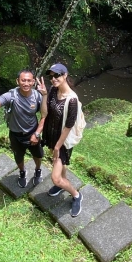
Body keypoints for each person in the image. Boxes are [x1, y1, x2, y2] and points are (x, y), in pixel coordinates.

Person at [0, 69, 47, 188]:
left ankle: (38, 170)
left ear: (33, 82)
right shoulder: (11, 96)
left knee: (38, 155)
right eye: (23, 80)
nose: (26, 83)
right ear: (17, 81)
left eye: (29, 81)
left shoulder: (37, 96)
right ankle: (22, 173)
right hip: (15, 134)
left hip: (33, 132)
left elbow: (44, 116)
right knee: (18, 156)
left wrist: (37, 134)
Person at [42, 63, 83, 218]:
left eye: (57, 75)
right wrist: (45, 94)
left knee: (55, 177)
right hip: (52, 137)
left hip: (63, 142)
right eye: (51, 76)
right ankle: (62, 185)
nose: (53, 79)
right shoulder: (53, 90)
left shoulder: (72, 100)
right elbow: (46, 113)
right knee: (60, 168)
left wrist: (58, 147)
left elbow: (68, 126)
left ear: (65, 75)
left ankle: (76, 195)